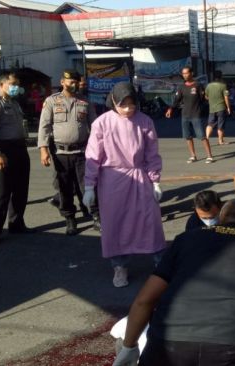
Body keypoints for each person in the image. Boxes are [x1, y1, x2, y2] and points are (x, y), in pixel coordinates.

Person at [113, 199, 235, 366]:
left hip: (169, 344)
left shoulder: (186, 239)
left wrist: (129, 347)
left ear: (219, 220)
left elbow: (145, 300)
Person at [83, 81, 166, 288]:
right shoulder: (101, 123)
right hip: (112, 179)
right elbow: (93, 156)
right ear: (113, 101)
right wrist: (88, 186)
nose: (128, 109)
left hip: (139, 176)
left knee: (150, 219)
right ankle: (119, 267)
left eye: (132, 104)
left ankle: (161, 264)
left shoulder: (145, 121)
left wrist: (155, 181)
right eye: (123, 104)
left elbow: (151, 153)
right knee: (115, 223)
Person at [38, 70, 98, 235]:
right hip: (60, 153)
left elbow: (95, 127)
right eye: (70, 81)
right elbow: (44, 126)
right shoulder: (51, 102)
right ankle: (70, 219)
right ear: (62, 82)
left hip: (82, 152)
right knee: (64, 188)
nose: (74, 84)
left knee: (88, 186)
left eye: (76, 81)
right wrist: (43, 150)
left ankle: (95, 216)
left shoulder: (85, 102)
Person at [0, 72, 33, 246]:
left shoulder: (14, 103)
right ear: (2, 84)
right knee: (1, 193)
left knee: (21, 189)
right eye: (12, 83)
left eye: (17, 84)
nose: (16, 87)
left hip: (19, 148)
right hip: (4, 150)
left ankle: (16, 223)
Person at [165, 66, 214, 164]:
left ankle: (209, 156)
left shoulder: (198, 85)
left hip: (196, 115)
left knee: (202, 136)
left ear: (191, 73)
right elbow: (177, 100)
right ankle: (193, 156)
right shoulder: (181, 87)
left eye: (186, 73)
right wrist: (170, 109)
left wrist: (201, 109)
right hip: (185, 115)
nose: (185, 75)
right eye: (183, 73)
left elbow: (203, 99)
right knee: (188, 137)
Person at [205, 70, 231, 145]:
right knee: (221, 124)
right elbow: (226, 97)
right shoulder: (223, 85)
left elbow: (206, 97)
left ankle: (206, 139)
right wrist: (228, 107)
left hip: (212, 108)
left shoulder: (208, 86)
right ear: (221, 76)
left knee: (210, 124)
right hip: (221, 108)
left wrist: (212, 99)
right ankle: (220, 141)